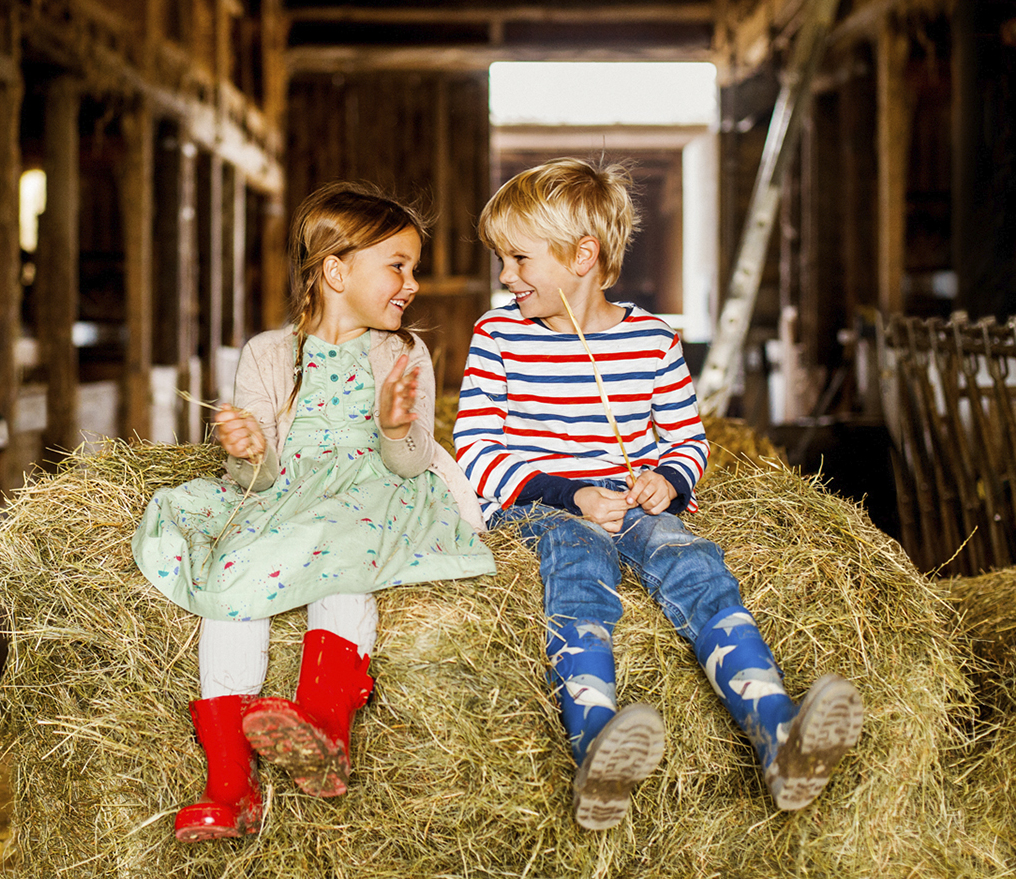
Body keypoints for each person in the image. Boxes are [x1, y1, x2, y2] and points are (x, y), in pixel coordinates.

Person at [453, 158, 863, 831]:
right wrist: (571, 493)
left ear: (581, 255)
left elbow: (687, 441)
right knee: (576, 563)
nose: (505, 276)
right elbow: (475, 447)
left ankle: (778, 736)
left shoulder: (651, 340)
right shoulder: (498, 338)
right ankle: (596, 749)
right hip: (545, 503)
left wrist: (665, 480)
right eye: (503, 260)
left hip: (636, 502)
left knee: (691, 561)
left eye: (519, 258)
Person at [134, 180, 496, 843]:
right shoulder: (268, 354)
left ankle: (326, 731)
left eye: (410, 267)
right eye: (397, 264)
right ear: (335, 270)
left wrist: (393, 425)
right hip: (289, 495)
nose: (411, 282)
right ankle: (229, 786)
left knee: (348, 558)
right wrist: (246, 450)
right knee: (228, 581)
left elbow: (410, 461)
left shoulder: (404, 353)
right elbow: (259, 476)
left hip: (375, 491)